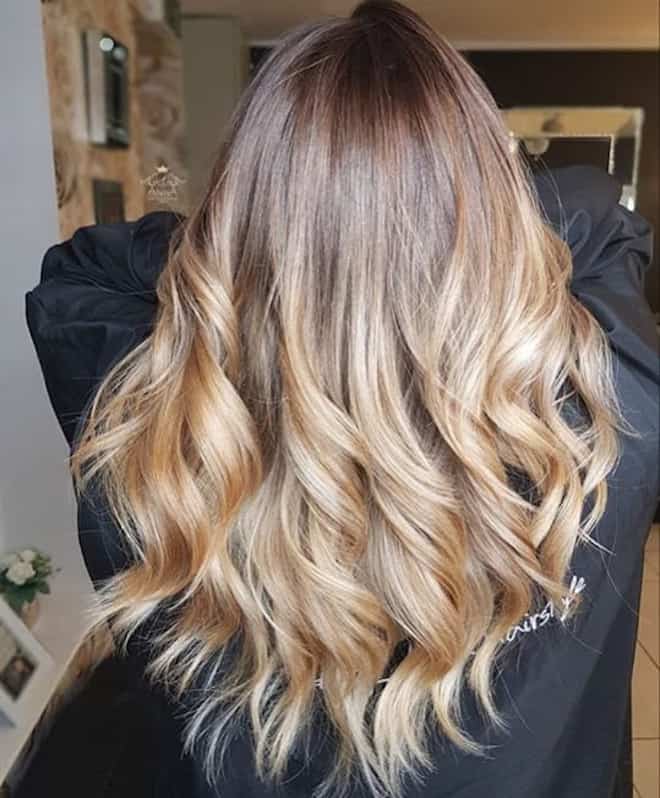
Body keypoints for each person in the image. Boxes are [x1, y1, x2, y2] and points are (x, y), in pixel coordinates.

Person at [24, 2, 658, 796]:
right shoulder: (615, 411)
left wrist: (262, 240)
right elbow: (604, 214)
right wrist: (449, 218)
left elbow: (78, 272)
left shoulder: (155, 440)